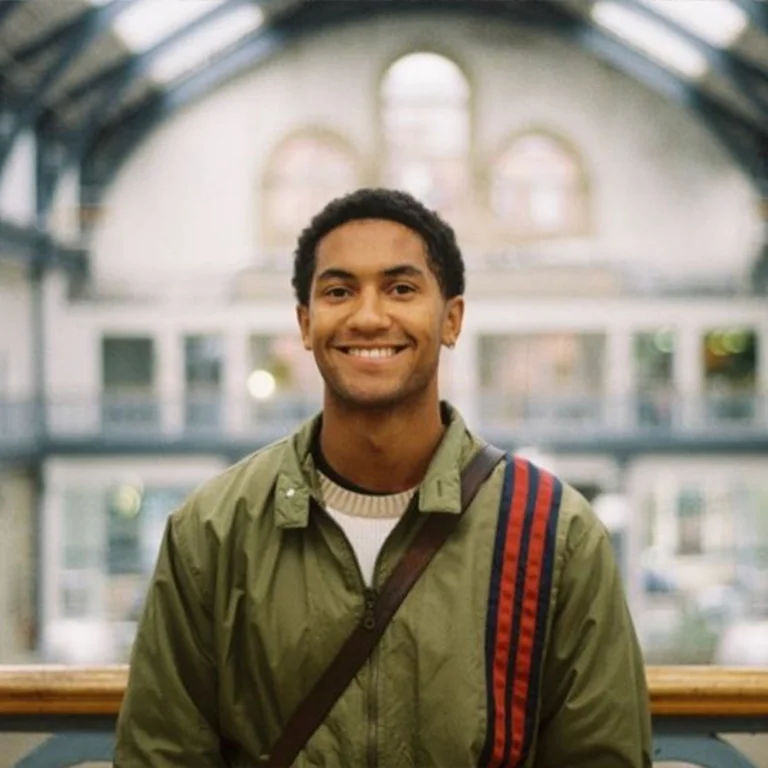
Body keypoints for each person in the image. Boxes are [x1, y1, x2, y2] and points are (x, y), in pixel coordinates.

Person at [114, 188, 652, 767]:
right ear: (305, 322)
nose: (369, 317)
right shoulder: (214, 533)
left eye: (401, 289)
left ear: (452, 319)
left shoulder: (555, 535)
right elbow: (161, 755)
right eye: (339, 291)